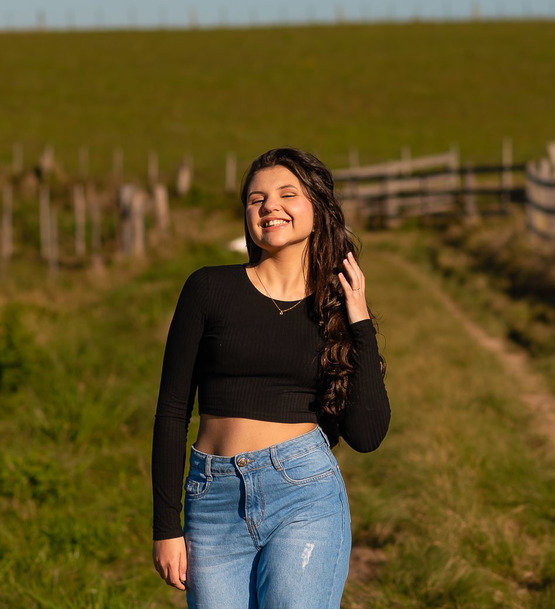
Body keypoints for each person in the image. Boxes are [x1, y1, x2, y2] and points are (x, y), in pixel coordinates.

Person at [151, 147, 390, 609]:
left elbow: (366, 435)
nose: (269, 207)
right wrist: (166, 527)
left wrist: (359, 322)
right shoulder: (208, 288)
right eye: (256, 198)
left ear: (318, 210)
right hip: (212, 498)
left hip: (304, 494)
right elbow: (171, 411)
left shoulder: (335, 308)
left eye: (287, 194)